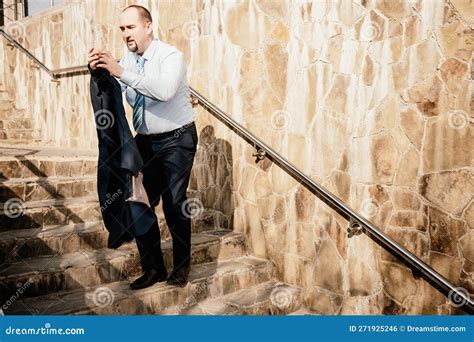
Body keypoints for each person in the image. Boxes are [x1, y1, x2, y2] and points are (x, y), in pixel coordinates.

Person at [87, 4, 198, 289]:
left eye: (131, 27)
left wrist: (120, 71)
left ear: (148, 26)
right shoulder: (129, 60)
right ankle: (153, 269)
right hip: (146, 142)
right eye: (122, 28)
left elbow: (163, 91)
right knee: (137, 201)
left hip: (177, 140)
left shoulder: (171, 56)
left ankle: (182, 266)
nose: (126, 34)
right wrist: (101, 72)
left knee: (174, 203)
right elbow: (121, 89)